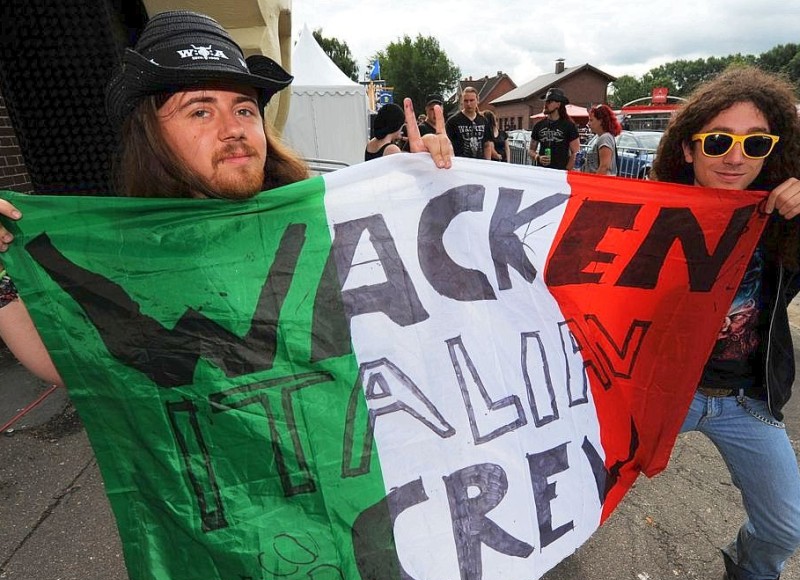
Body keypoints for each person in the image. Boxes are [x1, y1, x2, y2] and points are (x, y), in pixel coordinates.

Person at [0, 10, 453, 388]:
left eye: (243, 108)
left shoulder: (326, 220)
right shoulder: (128, 259)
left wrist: (425, 196)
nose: (233, 128)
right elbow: (72, 363)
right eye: (200, 110)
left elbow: (430, 319)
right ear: (151, 136)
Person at [652, 66, 800, 580]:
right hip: (660, 394)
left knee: (786, 526)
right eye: (718, 140)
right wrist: (424, 171)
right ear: (689, 149)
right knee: (574, 494)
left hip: (745, 401)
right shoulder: (646, 214)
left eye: (754, 142)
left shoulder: (785, 221)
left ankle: (751, 573)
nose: (735, 156)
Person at [528, 87, 580, 170]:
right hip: (542, 172)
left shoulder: (569, 126)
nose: (545, 104)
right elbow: (531, 150)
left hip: (560, 173)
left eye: (549, 101)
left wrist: (566, 170)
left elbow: (576, 152)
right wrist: (538, 157)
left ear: (558, 104)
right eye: (545, 101)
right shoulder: (538, 125)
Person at [445, 86, 491, 159]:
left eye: (471, 100)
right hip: (461, 163)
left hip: (479, 163)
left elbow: (487, 145)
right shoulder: (453, 121)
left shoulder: (483, 121)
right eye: (466, 101)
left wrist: (488, 163)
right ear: (462, 101)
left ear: (477, 100)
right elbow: (447, 144)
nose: (469, 104)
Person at [583, 104, 621, 175]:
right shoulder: (603, 137)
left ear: (600, 121)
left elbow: (604, 166)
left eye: (591, 120)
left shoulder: (605, 138)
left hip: (600, 182)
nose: (588, 123)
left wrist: (595, 181)